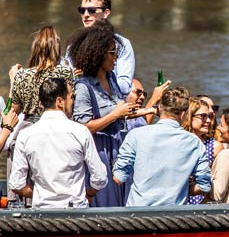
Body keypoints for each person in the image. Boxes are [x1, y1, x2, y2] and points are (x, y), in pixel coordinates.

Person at [9, 78, 108, 208]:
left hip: (42, 212)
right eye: (71, 97)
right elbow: (99, 177)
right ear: (60, 102)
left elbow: (16, 184)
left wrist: (41, 195)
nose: (74, 101)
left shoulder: (25, 135)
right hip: (76, 212)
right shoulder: (80, 132)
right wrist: (88, 193)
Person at [69, 22, 138, 207]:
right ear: (99, 55)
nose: (116, 58)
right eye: (113, 53)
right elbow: (82, 127)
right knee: (105, 204)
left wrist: (149, 110)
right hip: (99, 152)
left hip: (118, 147)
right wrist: (116, 114)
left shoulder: (112, 79)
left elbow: (119, 110)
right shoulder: (84, 87)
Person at [113, 87, 211, 206]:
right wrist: (182, 189)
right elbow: (204, 186)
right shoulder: (194, 142)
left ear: (159, 108)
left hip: (137, 215)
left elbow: (118, 177)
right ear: (183, 114)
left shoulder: (135, 135)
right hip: (175, 217)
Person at [9, 26, 73, 206]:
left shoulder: (22, 75)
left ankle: (17, 204)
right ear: (56, 47)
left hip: (27, 130)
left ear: (35, 47)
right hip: (57, 130)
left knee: (19, 174)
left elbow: (14, 110)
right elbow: (69, 108)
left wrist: (14, 80)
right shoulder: (65, 72)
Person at [73, 0, 135, 95]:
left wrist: (95, 77)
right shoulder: (73, 45)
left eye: (92, 10)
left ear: (106, 13)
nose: (86, 15)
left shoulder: (121, 44)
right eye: (82, 10)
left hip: (111, 104)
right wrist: (75, 77)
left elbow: (125, 87)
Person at [182, 97, 214, 204]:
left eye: (209, 116)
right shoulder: (179, 143)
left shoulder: (214, 145)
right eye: (203, 116)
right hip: (180, 200)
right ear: (189, 117)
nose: (208, 120)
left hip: (203, 201)